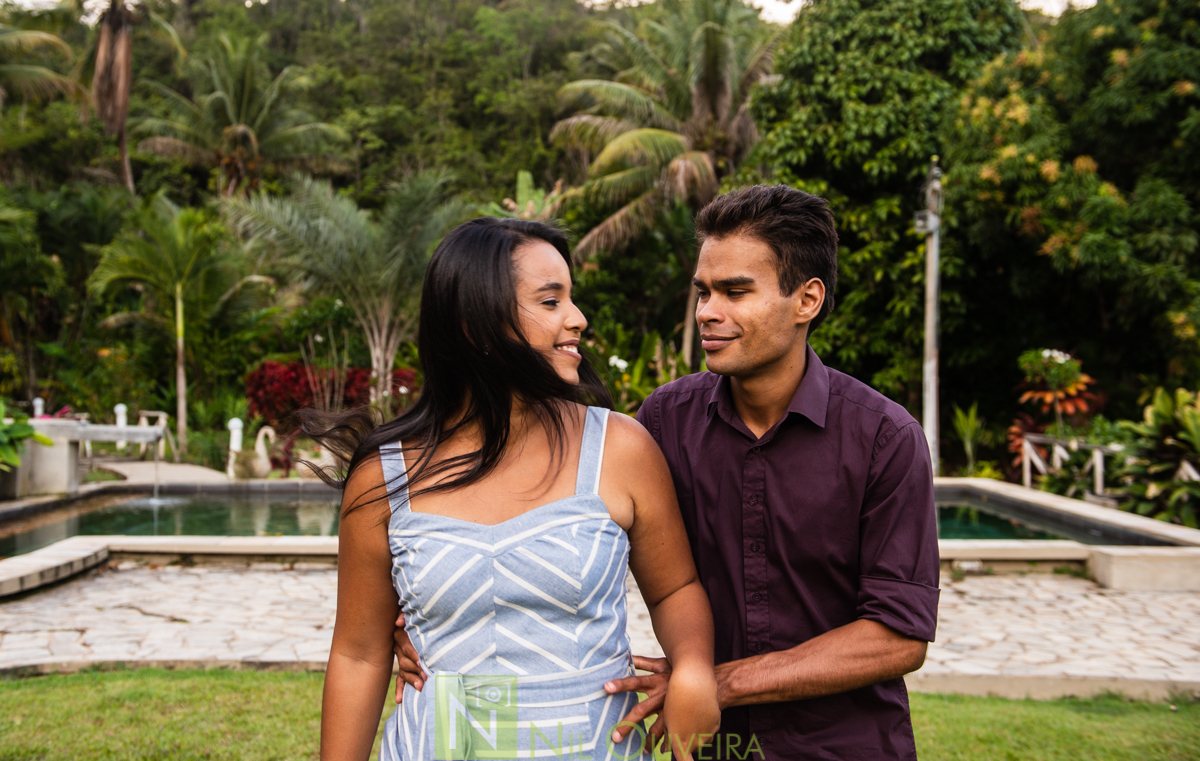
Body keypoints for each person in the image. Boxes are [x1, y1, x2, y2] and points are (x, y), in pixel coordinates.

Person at [394, 186, 940, 760]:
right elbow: (553, 524)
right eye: (703, 291)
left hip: (845, 746)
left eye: (735, 292)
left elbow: (898, 635)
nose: (707, 311)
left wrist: (714, 681)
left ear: (806, 300)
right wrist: (412, 615)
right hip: (705, 749)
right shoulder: (661, 424)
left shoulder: (884, 439)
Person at [316, 217, 719, 761]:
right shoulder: (384, 478)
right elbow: (359, 655)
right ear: (474, 325)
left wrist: (693, 667)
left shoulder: (620, 449)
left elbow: (675, 589)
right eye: (550, 302)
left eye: (570, 300)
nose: (578, 319)